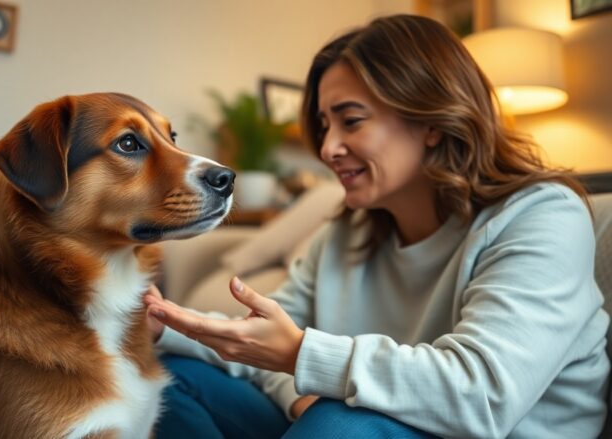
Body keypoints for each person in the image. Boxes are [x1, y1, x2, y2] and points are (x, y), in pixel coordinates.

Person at [144, 14, 610, 438]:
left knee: (338, 422)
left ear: (431, 119)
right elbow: (266, 338)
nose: (327, 148)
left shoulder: (543, 215)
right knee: (165, 377)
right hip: (358, 425)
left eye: (351, 121)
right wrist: (164, 324)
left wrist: (302, 358)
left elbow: (485, 395)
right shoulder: (343, 233)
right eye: (325, 126)